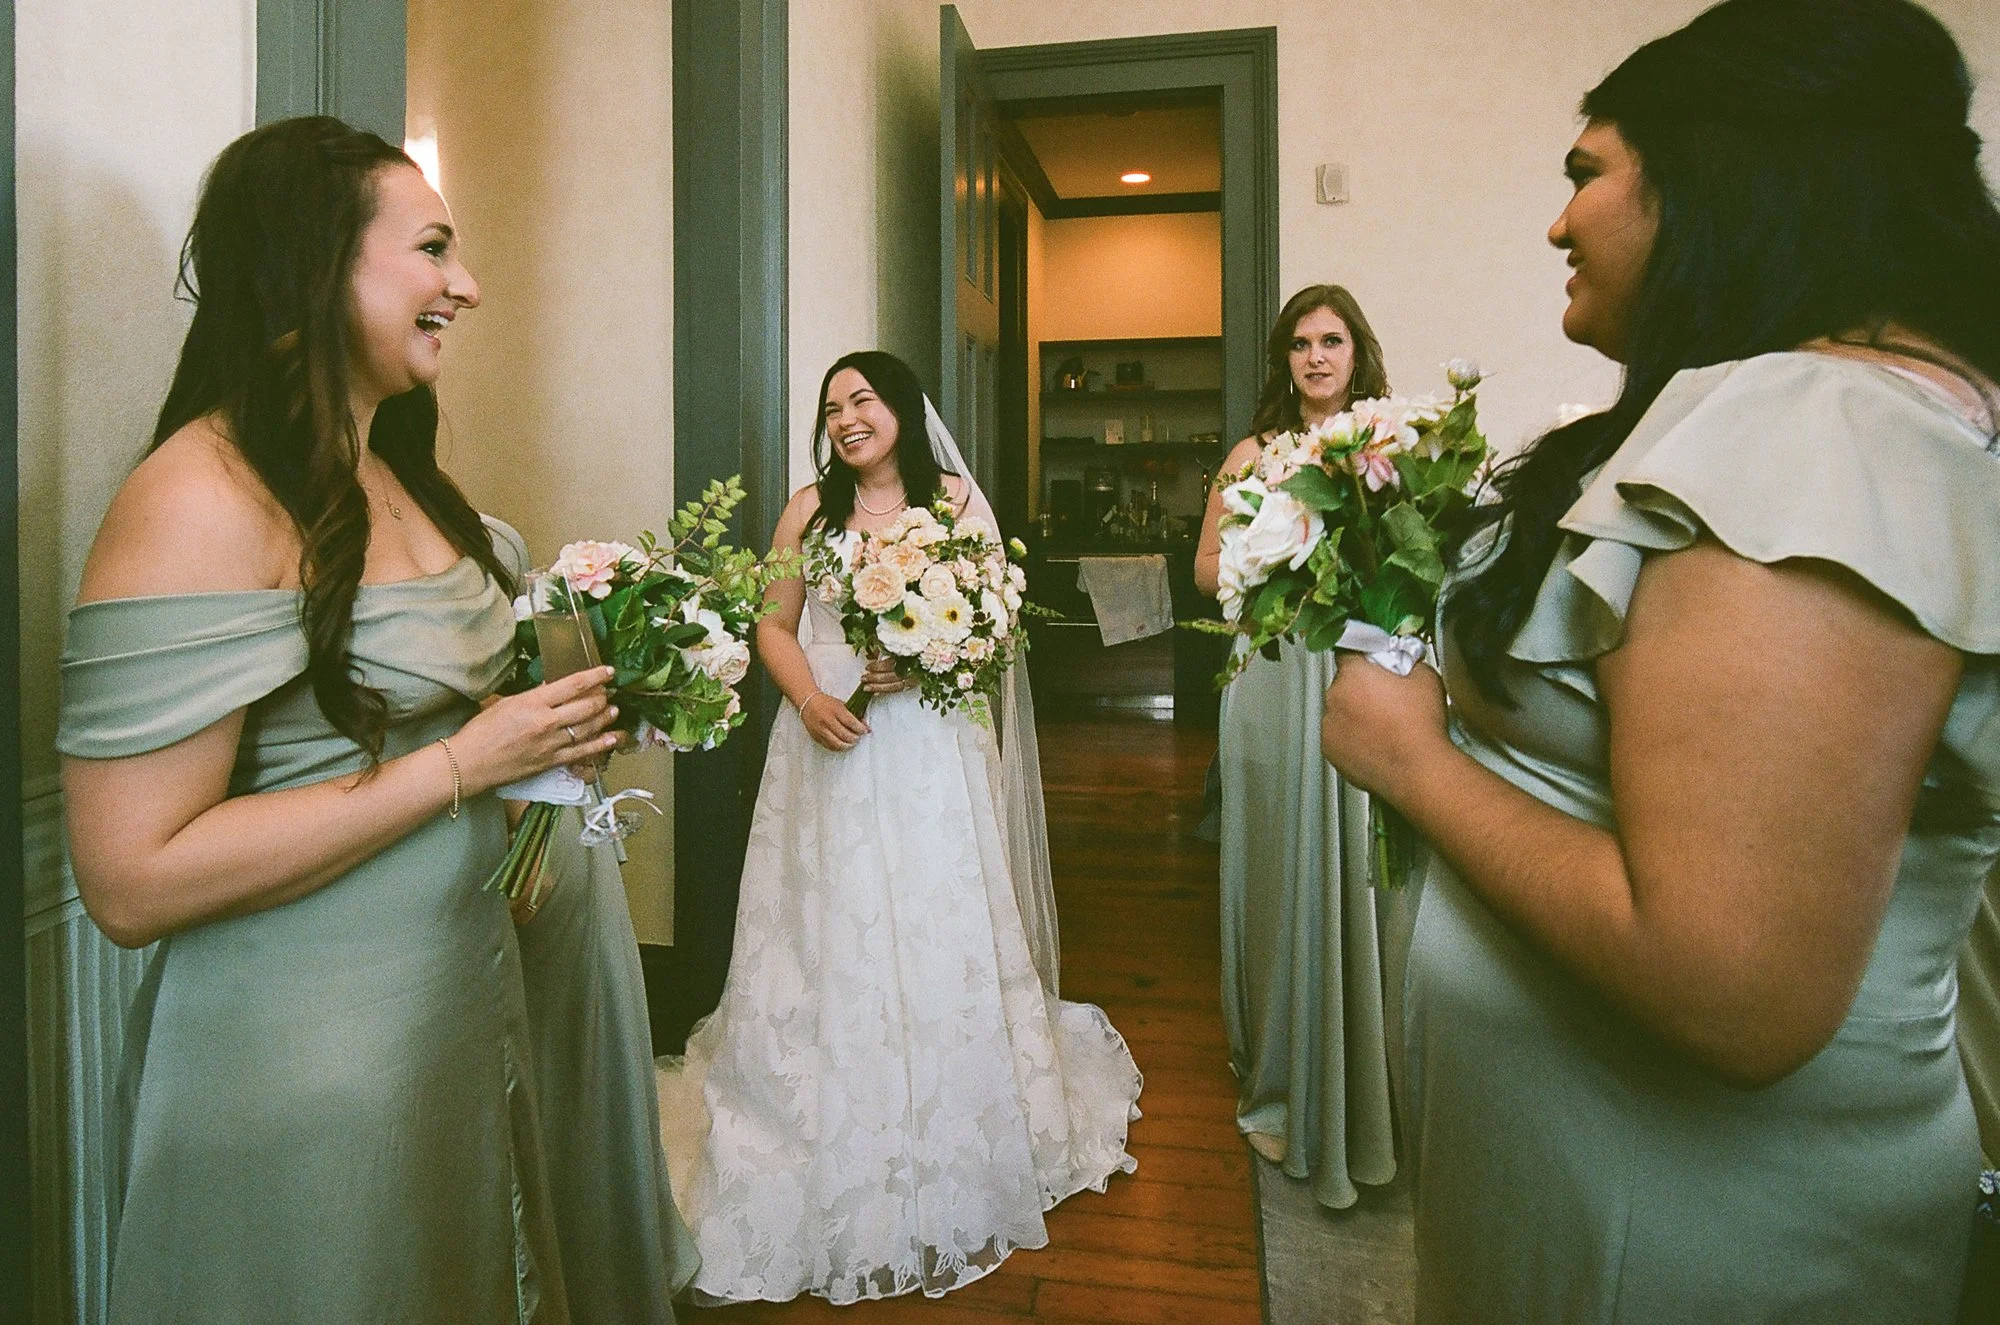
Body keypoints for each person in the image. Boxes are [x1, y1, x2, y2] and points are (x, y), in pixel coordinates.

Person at [1317, 1, 2000, 1318]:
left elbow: (1728, 978)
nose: (1559, 222)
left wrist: (1408, 760)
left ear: (1722, 175)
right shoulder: (1799, 412)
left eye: (1587, 173)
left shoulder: (1821, 432)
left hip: (1695, 1237)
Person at [58, 117, 631, 1322]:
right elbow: (129, 880)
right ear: (318, 264)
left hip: (458, 1014)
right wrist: (473, 762)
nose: (464, 286)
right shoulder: (195, 497)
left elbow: (436, 716)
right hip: (311, 1054)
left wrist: (557, 725)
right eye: (432, 249)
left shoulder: (393, 465)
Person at [656, 350, 1142, 1305]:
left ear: (903, 411)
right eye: (832, 408)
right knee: (827, 923)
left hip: (927, 749)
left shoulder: (956, 503)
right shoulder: (807, 511)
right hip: (829, 740)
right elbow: (773, 625)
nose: (845, 419)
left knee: (932, 913)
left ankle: (954, 1108)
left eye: (862, 400)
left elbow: (995, 625)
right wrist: (806, 698)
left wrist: (922, 658)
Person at [1193, 285, 1398, 1206]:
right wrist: (1271, 555)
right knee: (1277, 863)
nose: (1317, 357)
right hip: (1273, 672)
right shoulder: (1253, 454)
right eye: (1301, 344)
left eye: (1333, 340)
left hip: (1357, 668)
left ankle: (1362, 1081)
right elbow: (1204, 569)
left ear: (1358, 353)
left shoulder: (1387, 448)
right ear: (1284, 360)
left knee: (1358, 865)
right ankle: (1277, 1067)